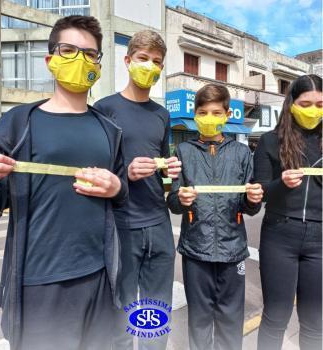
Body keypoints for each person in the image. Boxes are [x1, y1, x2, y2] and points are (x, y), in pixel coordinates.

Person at [0, 15, 128, 350]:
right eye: (69, 50)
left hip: (102, 278)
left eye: (90, 54)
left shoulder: (110, 131)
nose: (80, 59)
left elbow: (122, 190)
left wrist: (116, 187)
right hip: (39, 283)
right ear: (50, 59)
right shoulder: (18, 123)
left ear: (98, 64)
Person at [94, 30, 181, 350]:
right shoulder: (105, 108)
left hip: (158, 222)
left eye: (156, 62)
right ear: (128, 61)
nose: (150, 67)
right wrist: (125, 172)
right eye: (143, 59)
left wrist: (171, 174)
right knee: (120, 311)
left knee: (157, 313)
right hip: (121, 222)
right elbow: (94, 168)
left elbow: (165, 170)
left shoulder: (162, 114)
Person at [167, 83, 263, 350]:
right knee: (199, 320)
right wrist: (181, 200)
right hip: (195, 249)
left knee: (231, 319)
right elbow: (173, 201)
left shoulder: (242, 152)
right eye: (203, 112)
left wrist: (253, 200)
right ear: (196, 114)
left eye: (216, 112)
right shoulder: (183, 152)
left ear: (227, 114)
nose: (209, 118)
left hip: (233, 249)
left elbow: (248, 205)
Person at [254, 74, 322, 350]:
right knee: (275, 317)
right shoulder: (271, 141)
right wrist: (280, 185)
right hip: (279, 235)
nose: (313, 111)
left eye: (320, 104)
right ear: (291, 104)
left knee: (315, 321)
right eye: (306, 104)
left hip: (320, 239)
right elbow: (257, 193)